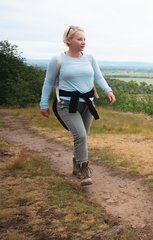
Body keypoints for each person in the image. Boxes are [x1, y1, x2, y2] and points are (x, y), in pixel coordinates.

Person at [39, 25, 116, 186]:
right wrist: (43, 104)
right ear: (69, 40)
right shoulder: (58, 60)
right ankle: (83, 169)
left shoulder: (89, 58)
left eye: (84, 39)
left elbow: (99, 77)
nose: (83, 42)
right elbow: (48, 83)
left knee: (82, 137)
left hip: (88, 104)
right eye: (79, 39)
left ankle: (75, 164)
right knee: (80, 136)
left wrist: (108, 90)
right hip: (66, 105)